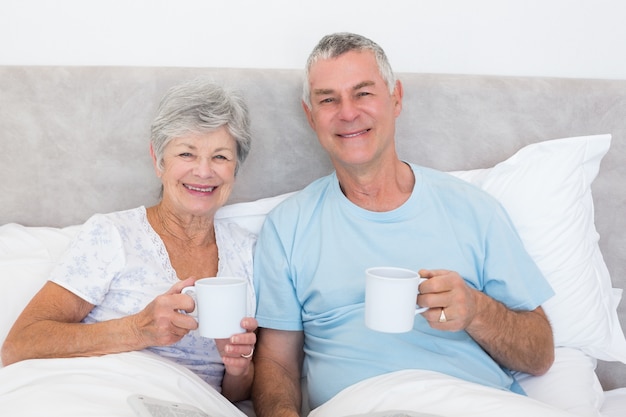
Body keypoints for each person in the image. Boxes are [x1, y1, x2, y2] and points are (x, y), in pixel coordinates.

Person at [251, 32, 557, 416]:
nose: (347, 112)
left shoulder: (474, 210)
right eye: (328, 99)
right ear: (311, 116)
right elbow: (277, 363)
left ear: (395, 98)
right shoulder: (288, 227)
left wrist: (477, 310)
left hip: (471, 403)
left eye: (363, 93)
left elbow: (540, 354)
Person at [1, 79, 258, 403]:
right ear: (158, 160)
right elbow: (20, 344)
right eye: (186, 153)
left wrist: (239, 368)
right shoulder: (112, 235)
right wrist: (138, 329)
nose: (203, 171)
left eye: (220, 157)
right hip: (95, 396)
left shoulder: (249, 254)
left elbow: (239, 395)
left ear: (237, 167)